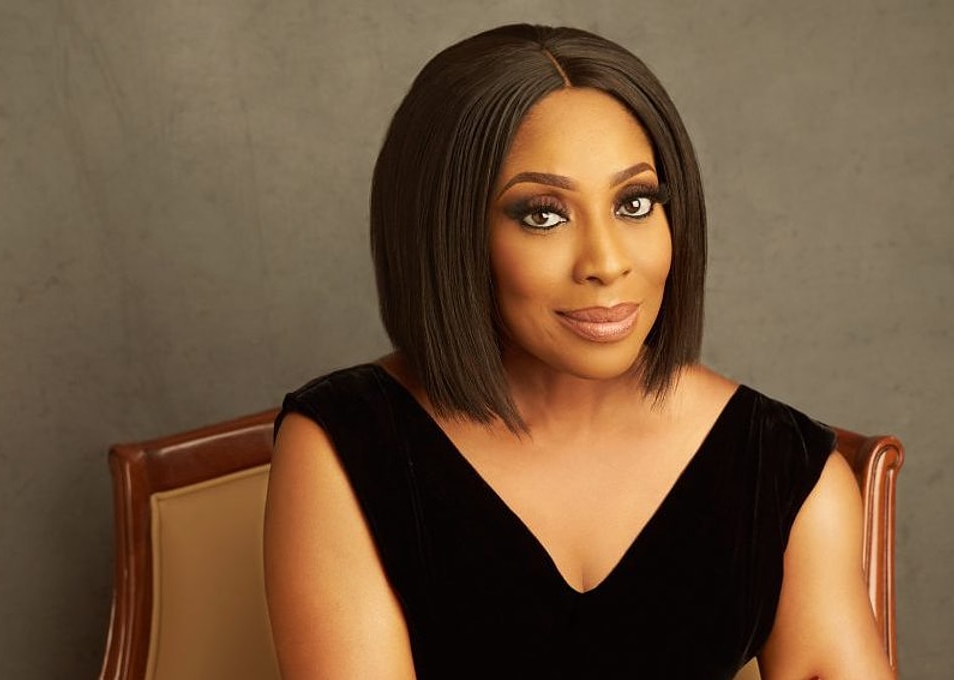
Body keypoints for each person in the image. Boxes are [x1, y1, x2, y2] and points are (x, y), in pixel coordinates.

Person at [263, 23, 892, 679]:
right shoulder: (344, 445)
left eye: (635, 203)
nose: (607, 262)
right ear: (447, 233)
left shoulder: (789, 472)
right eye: (543, 214)